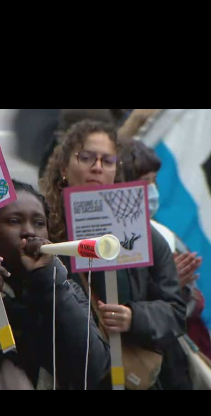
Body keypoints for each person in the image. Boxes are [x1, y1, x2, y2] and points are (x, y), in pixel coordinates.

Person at [41, 120, 191, 390]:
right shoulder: (41, 226)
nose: (97, 167)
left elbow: (174, 312)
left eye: (107, 160)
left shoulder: (143, 235)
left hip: (127, 377)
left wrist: (133, 318)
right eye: (86, 157)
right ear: (64, 167)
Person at [0, 180, 110, 390]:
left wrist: (50, 285)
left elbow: (94, 369)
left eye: (39, 223)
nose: (29, 232)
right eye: (14, 221)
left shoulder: (64, 287)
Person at [120, 139, 211, 363]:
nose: (152, 190)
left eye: (154, 181)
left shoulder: (165, 237)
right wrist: (166, 286)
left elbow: (187, 309)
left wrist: (180, 291)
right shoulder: (115, 239)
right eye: (144, 181)